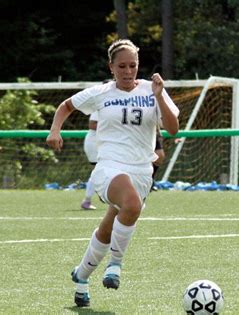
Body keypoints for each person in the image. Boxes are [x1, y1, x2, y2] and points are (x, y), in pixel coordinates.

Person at [46, 39, 179, 307]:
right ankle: (115, 266)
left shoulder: (152, 90)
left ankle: (82, 276)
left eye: (133, 65)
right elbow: (66, 106)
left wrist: (159, 96)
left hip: (142, 170)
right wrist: (54, 130)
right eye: (122, 66)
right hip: (109, 167)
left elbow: (173, 128)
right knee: (130, 204)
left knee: (111, 225)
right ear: (111, 67)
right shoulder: (102, 92)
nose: (128, 71)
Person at [81, 111, 98, 210]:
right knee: (97, 171)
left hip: (103, 143)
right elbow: (92, 124)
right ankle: (87, 200)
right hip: (95, 143)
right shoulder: (102, 102)